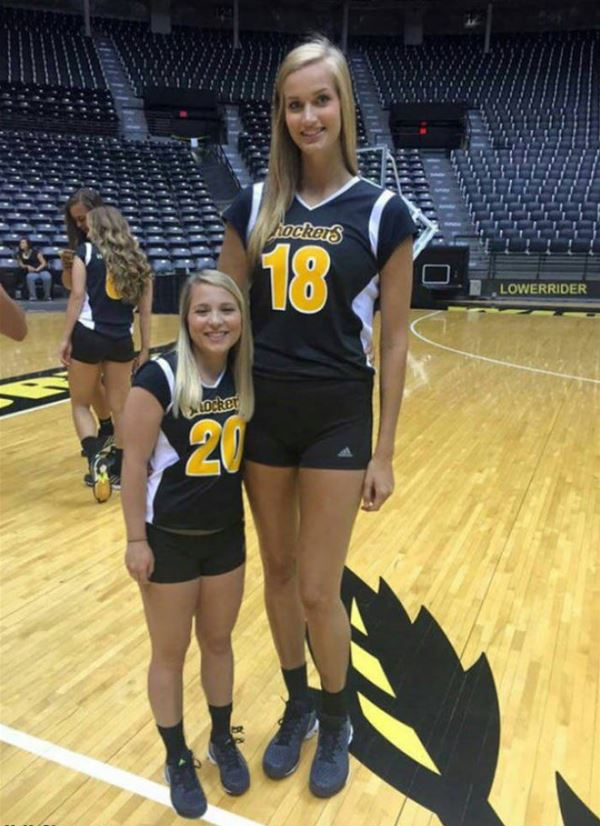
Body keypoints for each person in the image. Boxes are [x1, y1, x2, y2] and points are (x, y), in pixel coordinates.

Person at [218, 36, 416, 798]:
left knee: (316, 588)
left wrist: (384, 450)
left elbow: (393, 341)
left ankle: (338, 717)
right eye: (294, 104)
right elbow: (223, 324)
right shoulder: (251, 207)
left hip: (338, 418)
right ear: (281, 115)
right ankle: (298, 703)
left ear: (344, 108)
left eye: (321, 100)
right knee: (276, 574)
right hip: (264, 416)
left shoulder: (384, 212)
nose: (308, 116)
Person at [121, 270, 254, 818]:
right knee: (170, 654)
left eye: (226, 309)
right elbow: (132, 463)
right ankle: (177, 757)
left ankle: (222, 738)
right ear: (186, 318)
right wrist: (135, 539)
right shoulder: (159, 375)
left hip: (225, 537)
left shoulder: (245, 375)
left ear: (241, 317)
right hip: (169, 541)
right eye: (203, 310)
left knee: (218, 643)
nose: (215, 321)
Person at [58, 205, 153, 502]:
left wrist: (65, 338)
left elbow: (76, 296)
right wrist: (145, 348)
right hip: (121, 340)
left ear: (96, 227)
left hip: (88, 335)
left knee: (80, 404)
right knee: (121, 407)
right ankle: (120, 469)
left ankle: (94, 458)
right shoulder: (138, 260)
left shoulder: (85, 252)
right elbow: (145, 313)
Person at [62, 188, 115, 460]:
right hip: (105, 327)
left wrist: (65, 337)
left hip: (102, 325)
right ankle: (107, 429)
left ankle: (115, 441)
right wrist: (68, 267)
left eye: (84, 218)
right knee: (91, 383)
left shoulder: (117, 243)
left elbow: (77, 294)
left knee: (94, 394)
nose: (81, 224)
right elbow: (71, 287)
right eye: (76, 220)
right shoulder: (80, 246)